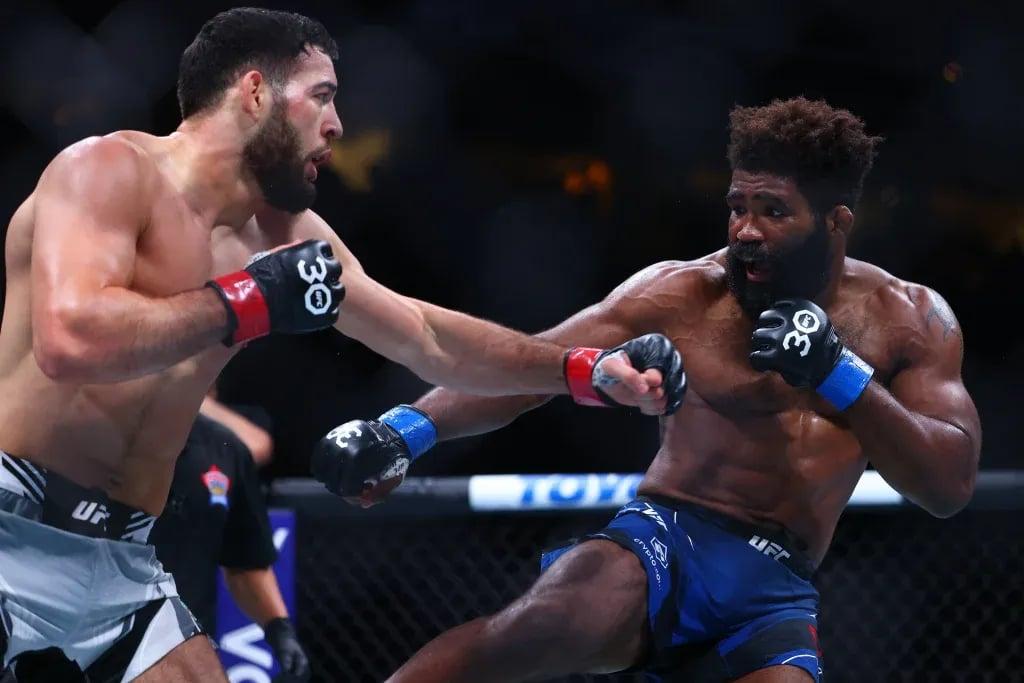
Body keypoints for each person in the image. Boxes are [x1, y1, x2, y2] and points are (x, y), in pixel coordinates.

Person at [0, 7, 685, 682]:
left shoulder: (287, 233)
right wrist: (245, 300)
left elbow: (427, 335)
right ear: (255, 93)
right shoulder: (108, 172)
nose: (338, 125)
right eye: (322, 97)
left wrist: (578, 368)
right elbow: (70, 339)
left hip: (121, 564)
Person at [313, 96, 982, 682]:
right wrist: (403, 430)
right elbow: (536, 367)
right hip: (667, 537)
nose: (745, 230)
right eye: (737, 206)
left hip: (777, 587)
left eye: (773, 210)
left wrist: (842, 374)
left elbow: (947, 484)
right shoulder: (683, 294)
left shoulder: (908, 321)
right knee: (536, 625)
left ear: (836, 222)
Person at [148, 405, 309, 681]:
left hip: (179, 642)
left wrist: (279, 629)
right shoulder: (92, 441)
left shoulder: (225, 449)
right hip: (83, 637)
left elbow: (245, 562)